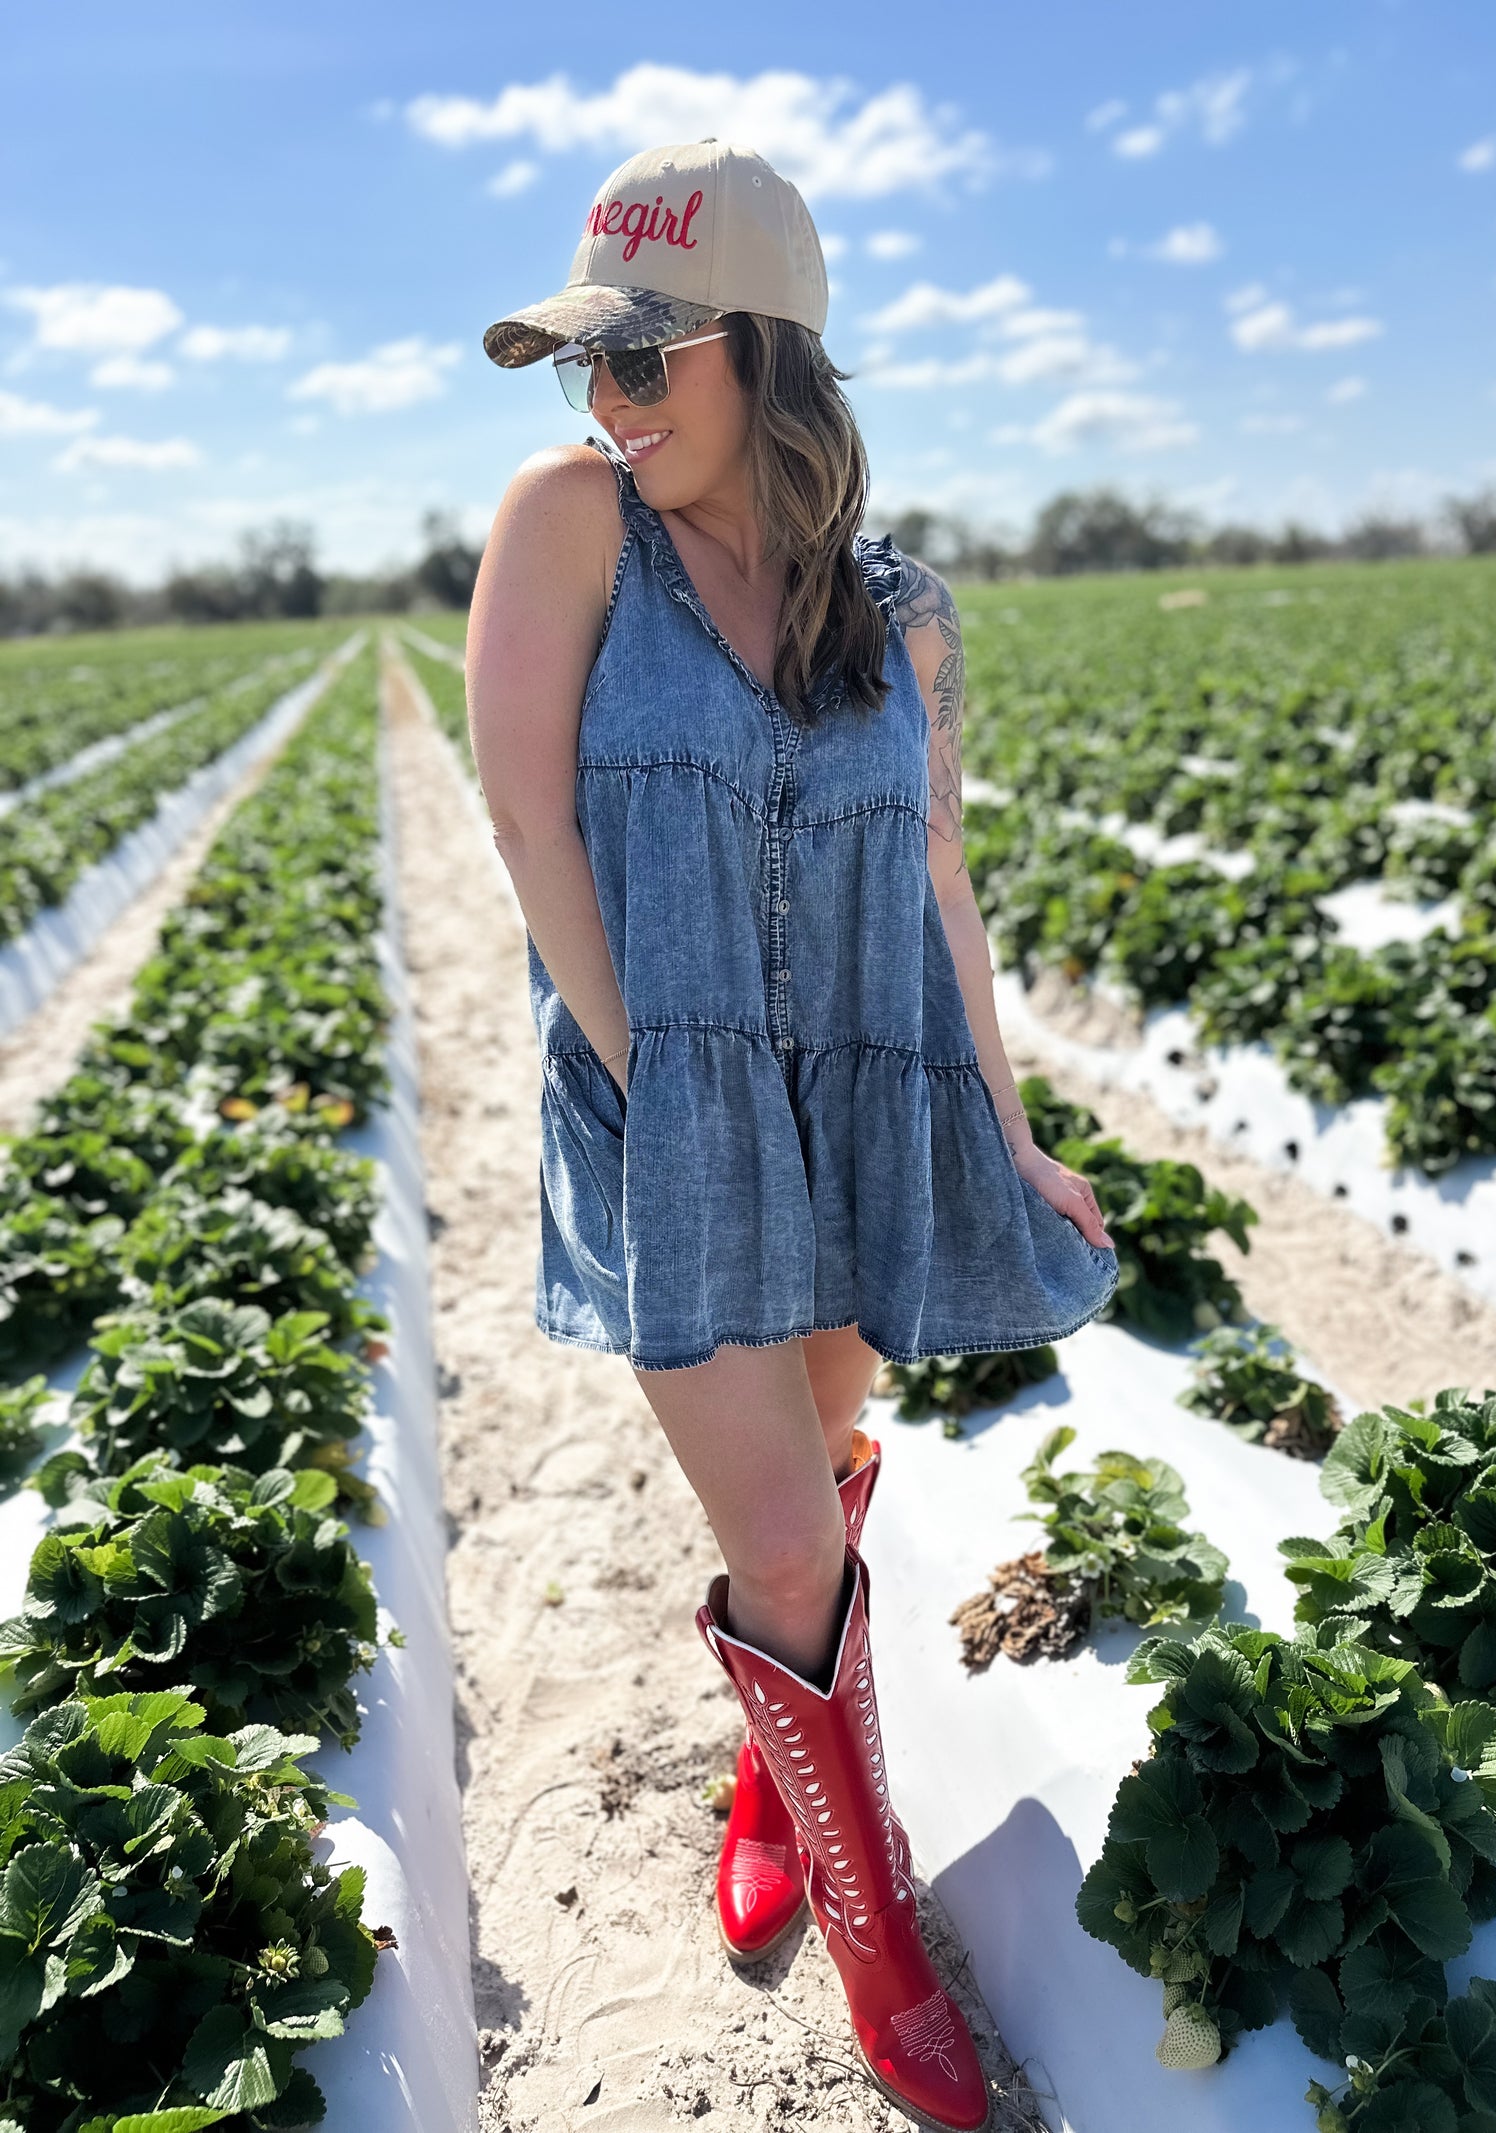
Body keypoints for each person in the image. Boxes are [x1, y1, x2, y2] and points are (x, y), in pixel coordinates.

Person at [467, 136, 1120, 2133]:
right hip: (665, 1099)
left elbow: (940, 888)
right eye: (586, 363)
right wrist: (658, 1082)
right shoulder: (572, 522)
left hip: (852, 1092)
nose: (609, 401)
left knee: (822, 1478)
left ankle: (773, 1753)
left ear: (764, 353)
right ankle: (879, 1938)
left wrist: (1000, 1133)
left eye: (647, 361)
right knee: (775, 1527)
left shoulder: (899, 611)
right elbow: (522, 820)